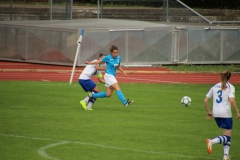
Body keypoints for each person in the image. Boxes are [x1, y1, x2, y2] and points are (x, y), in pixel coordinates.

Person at [204, 70, 240, 160]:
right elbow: (231, 100)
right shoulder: (230, 87)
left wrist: (209, 111)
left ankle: (225, 156)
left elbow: (205, 100)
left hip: (216, 114)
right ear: (229, 77)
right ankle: (211, 141)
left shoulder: (214, 87)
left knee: (226, 135)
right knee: (227, 137)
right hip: (225, 113)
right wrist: (237, 112)